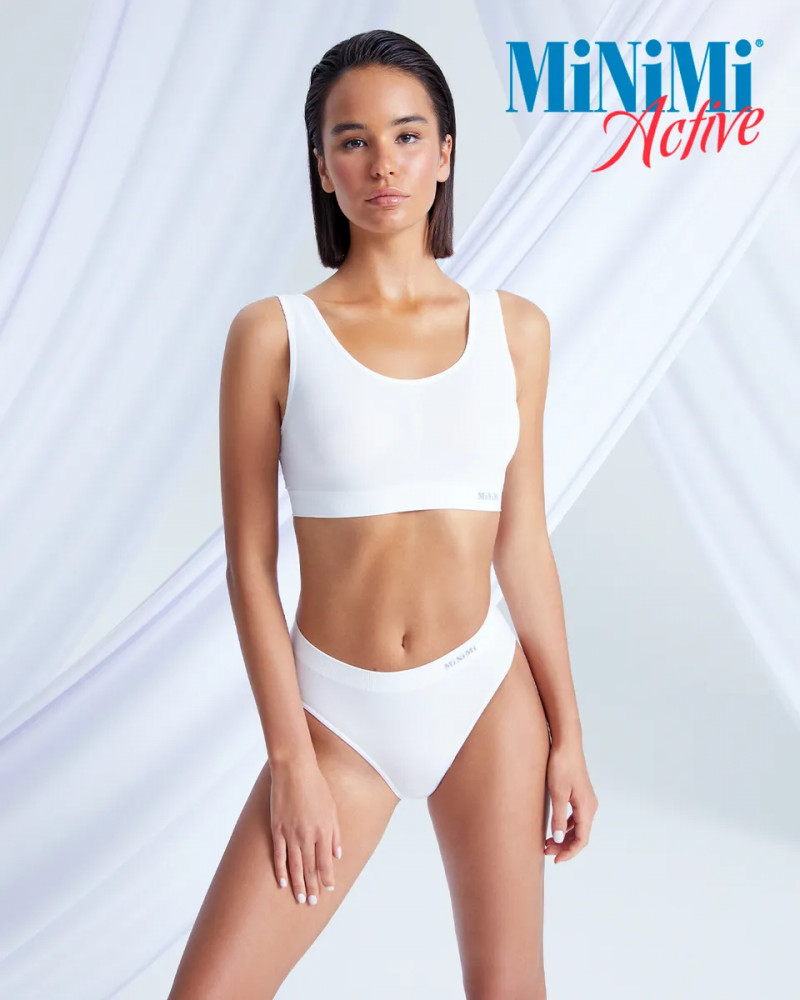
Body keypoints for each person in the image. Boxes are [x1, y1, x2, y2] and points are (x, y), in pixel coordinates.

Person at [168, 28, 598, 1000]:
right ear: (322, 167)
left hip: (485, 697)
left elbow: (523, 544)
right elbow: (248, 567)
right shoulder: (273, 335)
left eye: (406, 136)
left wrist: (568, 733)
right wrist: (289, 759)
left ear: (444, 153)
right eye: (352, 140)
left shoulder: (514, 330)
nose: (382, 164)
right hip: (336, 718)